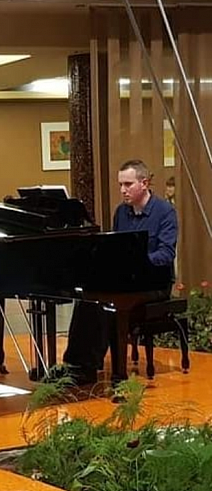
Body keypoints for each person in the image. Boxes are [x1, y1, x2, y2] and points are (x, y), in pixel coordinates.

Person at [63, 159, 178, 384]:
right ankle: (77, 365)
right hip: (127, 280)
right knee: (87, 296)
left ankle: (107, 370)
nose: (123, 190)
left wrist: (139, 263)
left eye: (128, 184)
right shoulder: (121, 213)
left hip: (155, 283)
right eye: (120, 185)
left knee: (110, 302)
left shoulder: (165, 212)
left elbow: (166, 254)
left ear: (144, 183)